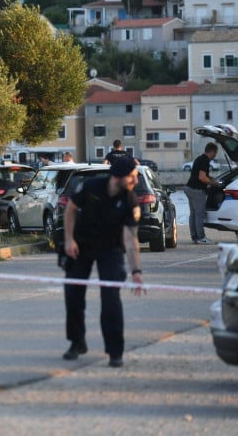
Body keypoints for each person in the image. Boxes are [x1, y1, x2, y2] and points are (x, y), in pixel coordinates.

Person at [61, 155, 145, 368]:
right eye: (133, 177)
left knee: (111, 299)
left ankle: (115, 351)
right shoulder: (91, 186)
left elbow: (130, 238)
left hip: (111, 249)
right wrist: (69, 240)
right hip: (82, 244)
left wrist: (136, 270)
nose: (136, 181)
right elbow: (70, 209)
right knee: (73, 294)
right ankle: (77, 342)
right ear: (118, 177)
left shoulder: (130, 200)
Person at [183, 142, 224, 245]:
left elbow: (201, 175)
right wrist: (214, 184)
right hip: (197, 190)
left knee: (193, 214)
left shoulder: (199, 158)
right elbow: (202, 178)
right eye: (215, 153)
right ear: (212, 151)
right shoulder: (205, 161)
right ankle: (201, 237)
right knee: (199, 214)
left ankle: (195, 237)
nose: (215, 156)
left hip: (189, 188)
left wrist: (212, 179)